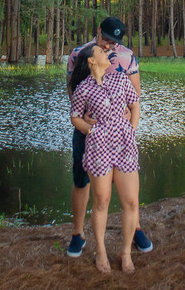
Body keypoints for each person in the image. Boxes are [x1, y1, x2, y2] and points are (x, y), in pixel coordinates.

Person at [65, 17, 152, 259]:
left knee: (128, 186)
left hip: (119, 131)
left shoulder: (126, 57)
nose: (109, 46)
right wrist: (85, 121)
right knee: (82, 180)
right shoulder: (78, 53)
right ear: (97, 32)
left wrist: (128, 120)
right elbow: (72, 90)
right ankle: (78, 234)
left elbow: (136, 95)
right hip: (89, 131)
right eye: (105, 40)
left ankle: (135, 229)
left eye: (114, 43)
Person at [69, 42, 141, 273]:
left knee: (130, 200)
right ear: (91, 61)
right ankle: (100, 251)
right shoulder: (83, 89)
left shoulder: (120, 79)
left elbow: (135, 103)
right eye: (101, 52)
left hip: (124, 146)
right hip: (99, 148)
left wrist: (132, 128)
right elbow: (75, 117)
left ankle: (126, 253)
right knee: (101, 201)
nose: (107, 52)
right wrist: (91, 130)